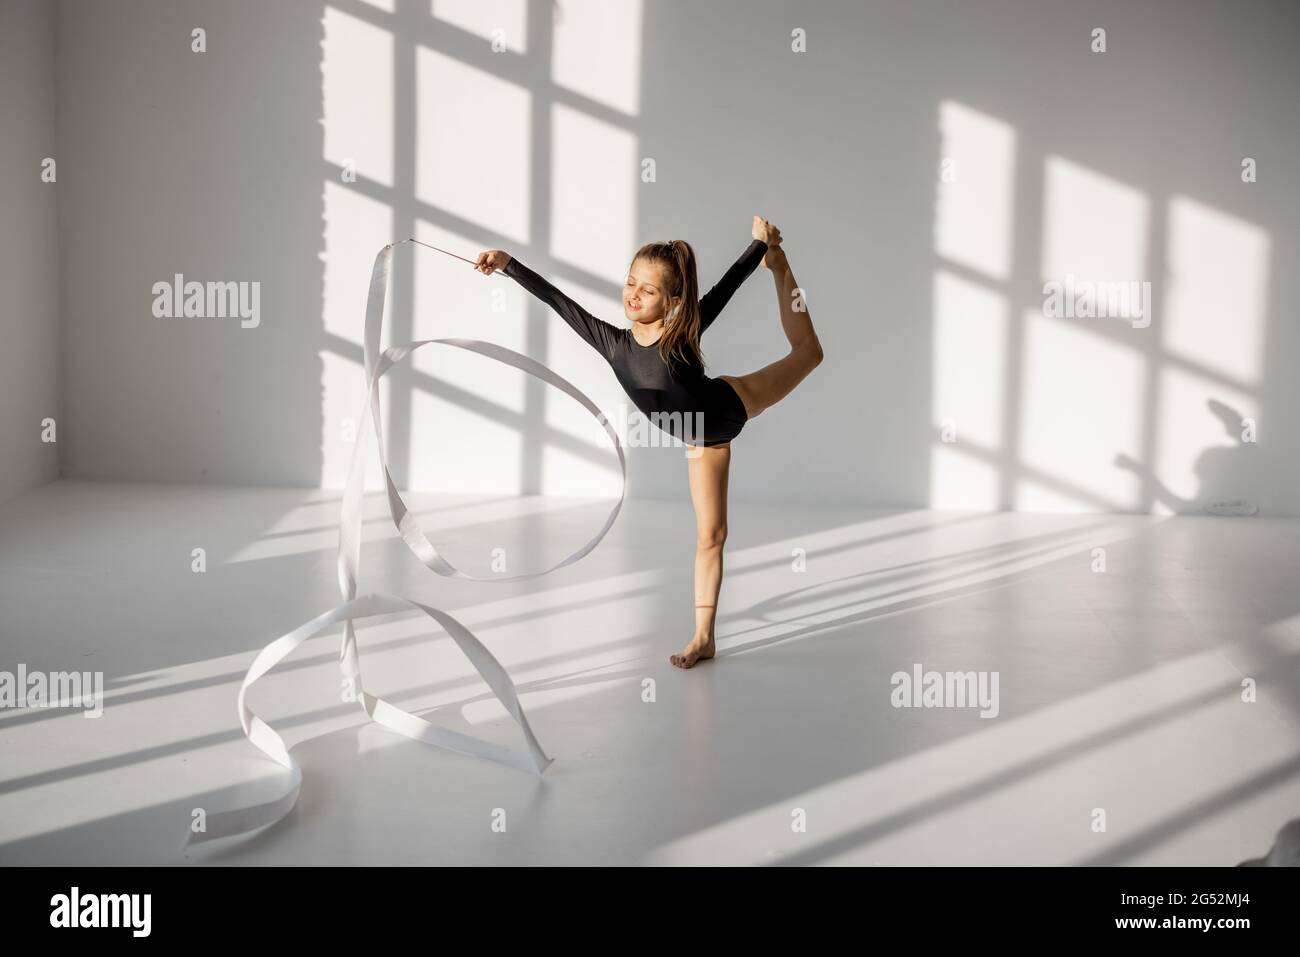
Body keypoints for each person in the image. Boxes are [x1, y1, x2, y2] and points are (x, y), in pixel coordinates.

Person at [475, 215, 823, 668]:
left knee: (809, 354)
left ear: (672, 301)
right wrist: (507, 264)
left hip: (731, 403)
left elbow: (728, 285)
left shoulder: (681, 335)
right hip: (704, 443)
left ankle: (779, 264)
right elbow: (560, 302)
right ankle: (704, 637)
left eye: (649, 290)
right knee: (711, 535)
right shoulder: (613, 343)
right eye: (631, 282)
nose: (634, 294)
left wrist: (759, 246)